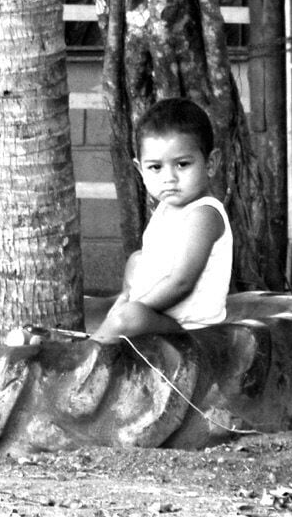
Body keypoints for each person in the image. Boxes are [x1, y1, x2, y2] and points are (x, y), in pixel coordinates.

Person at [93, 98, 233, 339]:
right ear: (140, 170)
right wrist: (129, 298)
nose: (169, 178)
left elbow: (181, 283)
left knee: (128, 318)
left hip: (192, 330)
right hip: (160, 316)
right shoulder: (167, 207)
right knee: (137, 260)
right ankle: (114, 318)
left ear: (210, 164)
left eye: (182, 164)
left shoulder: (204, 214)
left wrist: (134, 307)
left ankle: (89, 349)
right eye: (156, 167)